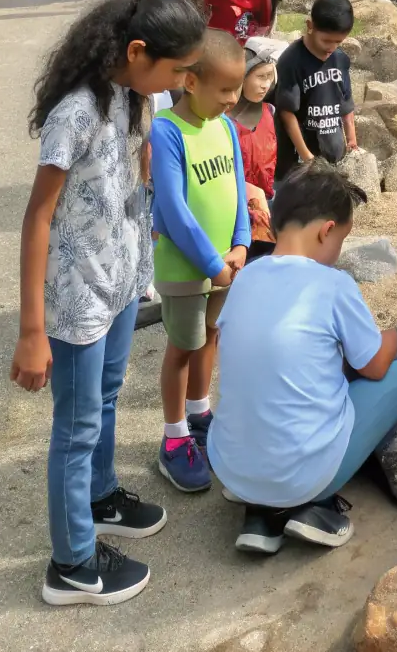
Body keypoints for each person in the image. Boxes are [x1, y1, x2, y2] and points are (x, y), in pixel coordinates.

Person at [10, 0, 206, 607]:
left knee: (109, 397)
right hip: (75, 302)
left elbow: (131, 176)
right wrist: (31, 330)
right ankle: (70, 564)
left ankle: (101, 496)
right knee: (75, 427)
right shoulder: (75, 114)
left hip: (120, 283)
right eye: (178, 70)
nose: (183, 82)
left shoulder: (135, 97)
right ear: (137, 52)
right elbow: (38, 217)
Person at [207, 166, 397, 555]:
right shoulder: (333, 283)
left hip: (232, 469)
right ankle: (308, 505)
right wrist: (392, 337)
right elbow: (373, 366)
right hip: (298, 474)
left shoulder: (246, 278)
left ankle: (260, 514)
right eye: (341, 238)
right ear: (326, 230)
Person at [150, 30, 251, 494]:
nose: (234, 99)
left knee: (211, 335)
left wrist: (242, 244)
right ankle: (174, 439)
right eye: (225, 90)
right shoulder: (168, 130)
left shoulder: (225, 127)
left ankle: (199, 413)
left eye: (238, 88)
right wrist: (212, 263)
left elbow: (237, 192)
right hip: (187, 269)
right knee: (183, 347)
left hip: (223, 266)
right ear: (191, 82)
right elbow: (172, 209)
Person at [274, 0, 357, 182]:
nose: (332, 47)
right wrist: (306, 156)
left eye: (339, 42)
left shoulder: (340, 59)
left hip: (332, 148)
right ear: (310, 26)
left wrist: (351, 138)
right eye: (327, 41)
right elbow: (286, 113)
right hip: (301, 154)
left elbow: (346, 103)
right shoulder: (291, 61)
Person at [228, 37, 282, 259]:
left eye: (269, 77)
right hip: (235, 209)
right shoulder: (223, 120)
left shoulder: (270, 112)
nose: (265, 84)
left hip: (266, 207)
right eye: (260, 76)